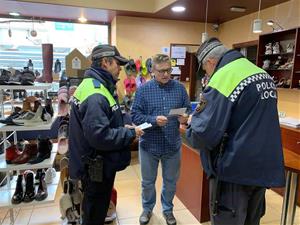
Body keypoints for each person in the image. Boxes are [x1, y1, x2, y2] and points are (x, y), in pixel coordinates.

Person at [186, 37, 285, 225]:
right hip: (261, 168)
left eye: (205, 69)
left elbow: (203, 134)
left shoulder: (225, 76)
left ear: (211, 61)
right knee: (251, 220)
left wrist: (192, 125)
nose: (207, 74)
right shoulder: (261, 74)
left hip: (234, 171)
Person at [68, 44, 144, 225]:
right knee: (94, 213)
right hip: (96, 169)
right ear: (105, 63)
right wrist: (129, 133)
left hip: (96, 165)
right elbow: (100, 136)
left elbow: (105, 120)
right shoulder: (95, 93)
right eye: (117, 64)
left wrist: (124, 123)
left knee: (94, 209)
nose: (120, 68)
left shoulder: (96, 87)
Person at [131, 54, 191, 225]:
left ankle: (168, 210)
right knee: (148, 182)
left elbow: (186, 108)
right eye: (161, 71)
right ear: (152, 70)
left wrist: (184, 117)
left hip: (172, 145)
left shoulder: (179, 89)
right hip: (149, 145)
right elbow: (135, 115)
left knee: (171, 182)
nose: (166, 74)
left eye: (168, 70)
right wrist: (152, 120)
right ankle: (147, 209)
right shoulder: (143, 90)